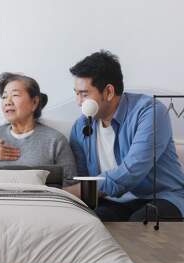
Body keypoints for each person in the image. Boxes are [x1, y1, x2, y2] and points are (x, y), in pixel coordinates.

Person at [67, 50, 184, 221]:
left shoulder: (150, 112)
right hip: (112, 202)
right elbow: (83, 177)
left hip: (162, 198)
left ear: (108, 92)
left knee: (140, 225)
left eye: (84, 94)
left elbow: (131, 172)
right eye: (76, 93)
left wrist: (77, 190)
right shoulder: (80, 127)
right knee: (91, 222)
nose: (78, 102)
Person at [0, 72, 77, 186]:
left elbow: (70, 183)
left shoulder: (55, 140)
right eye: (4, 97)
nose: (7, 102)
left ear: (34, 102)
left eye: (15, 95)